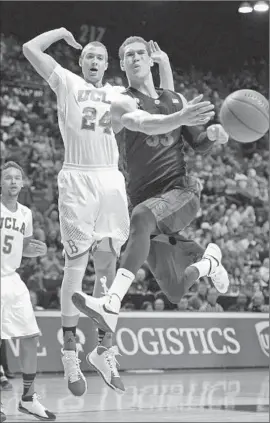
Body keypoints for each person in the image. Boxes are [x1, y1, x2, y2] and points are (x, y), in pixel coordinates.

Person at [23, 29, 174, 396]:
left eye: (100, 57)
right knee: (76, 265)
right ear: (81, 61)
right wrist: (62, 34)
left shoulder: (119, 94)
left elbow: (163, 105)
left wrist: (162, 65)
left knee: (109, 265)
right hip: (76, 177)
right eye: (89, 56)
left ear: (109, 65)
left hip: (110, 179)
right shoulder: (66, 81)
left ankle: (104, 348)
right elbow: (30, 48)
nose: (93, 61)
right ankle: (69, 350)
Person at [72, 36, 230, 334]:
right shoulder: (122, 101)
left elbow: (197, 143)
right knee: (174, 290)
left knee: (142, 218)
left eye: (140, 53)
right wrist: (180, 116)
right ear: (122, 64)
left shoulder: (174, 99)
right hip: (145, 201)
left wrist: (213, 135)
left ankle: (111, 302)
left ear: (149, 60)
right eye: (128, 55)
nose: (135, 58)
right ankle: (208, 263)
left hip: (180, 191)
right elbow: (145, 123)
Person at [0, 161, 55, 421]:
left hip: (12, 278)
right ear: (1, 183)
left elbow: (22, 249)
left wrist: (33, 251)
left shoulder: (26, 213)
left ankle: (28, 399)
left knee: (30, 337)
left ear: (22, 184)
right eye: (7, 177)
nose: (12, 181)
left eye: (16, 178)